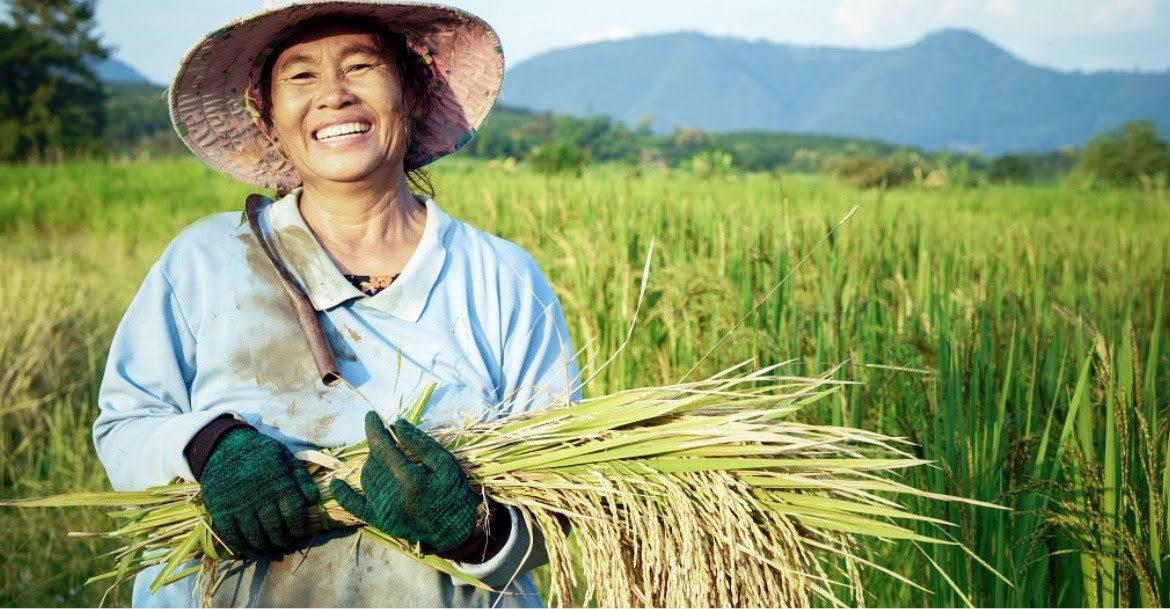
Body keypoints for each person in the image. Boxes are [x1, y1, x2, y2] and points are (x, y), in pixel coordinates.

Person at [92, 1, 580, 606]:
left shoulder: (501, 277)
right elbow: (124, 429)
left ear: (414, 95)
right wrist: (211, 446)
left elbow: (559, 501)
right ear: (268, 117)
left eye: (360, 66)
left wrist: (470, 530)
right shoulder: (207, 261)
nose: (333, 95)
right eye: (300, 76)